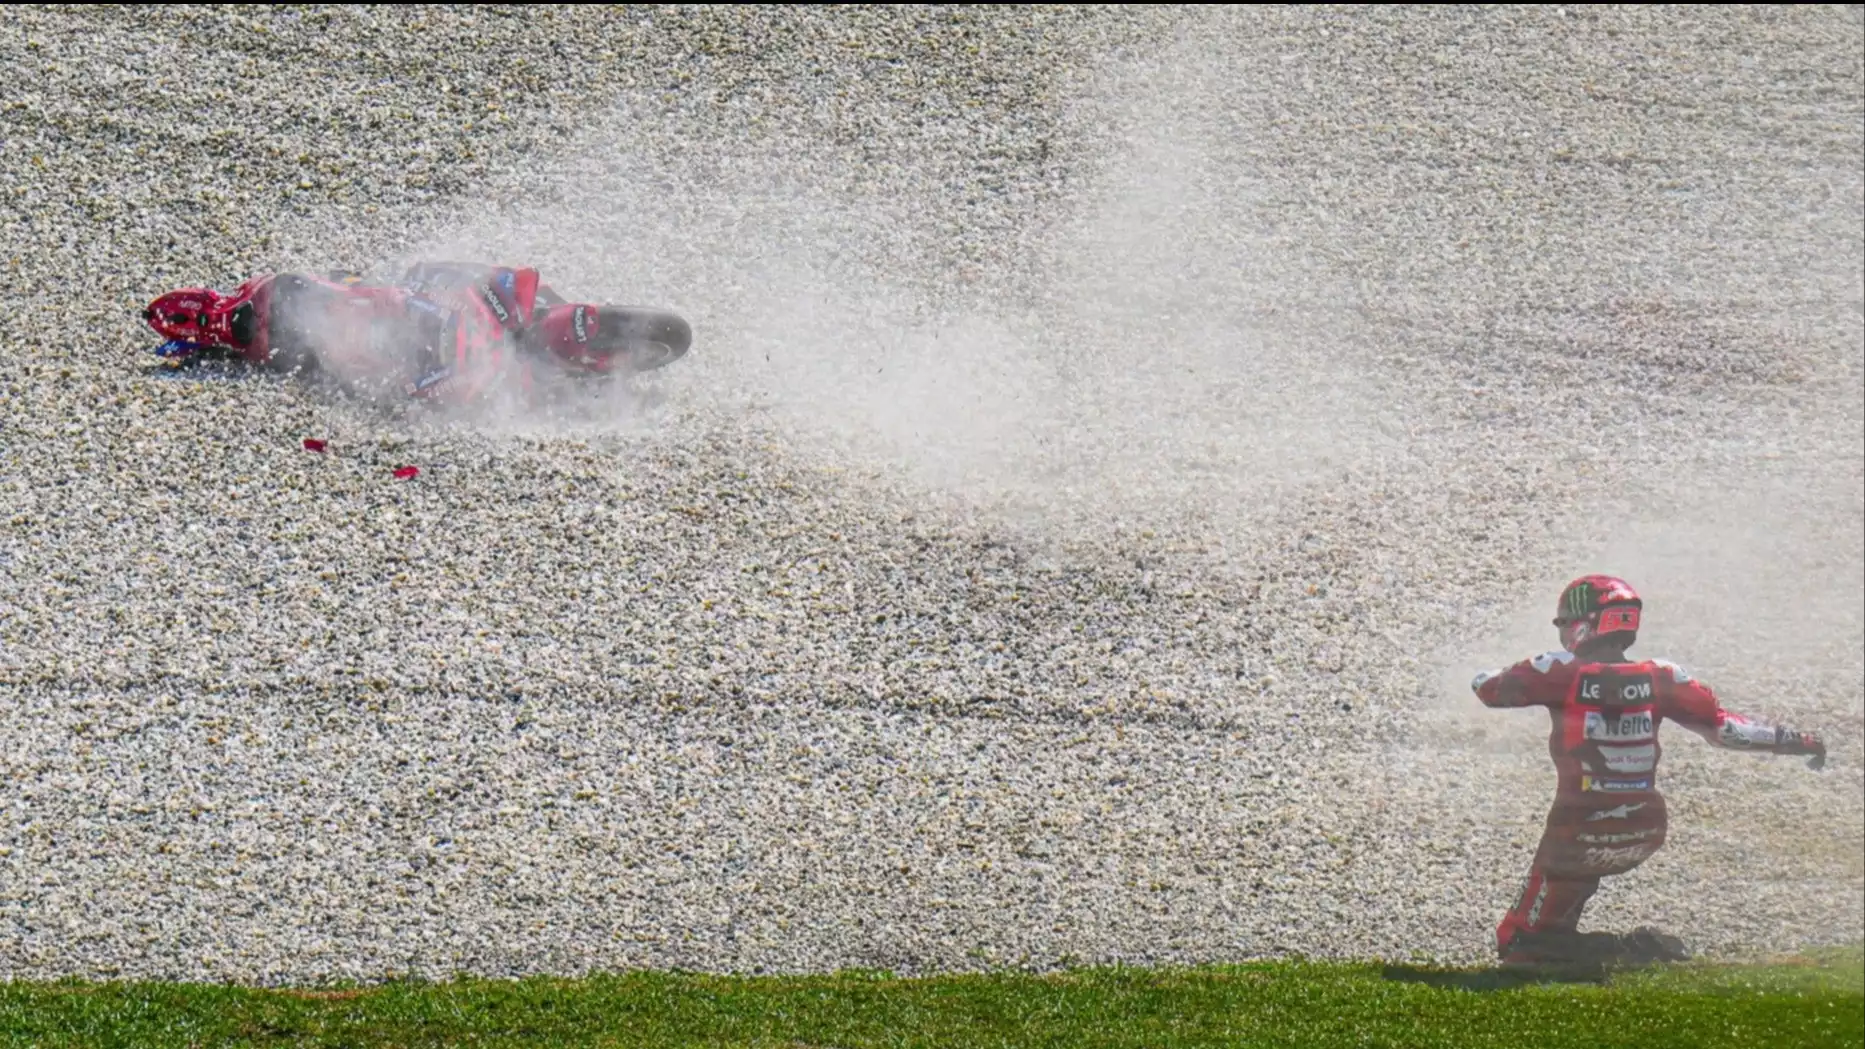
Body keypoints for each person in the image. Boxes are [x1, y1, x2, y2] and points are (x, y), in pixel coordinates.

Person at [1470, 574, 1827, 967]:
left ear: (1582, 624)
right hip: (1644, 826)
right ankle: (1600, 950)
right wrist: (1796, 740)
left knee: (1519, 944)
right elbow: (1727, 730)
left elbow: (1489, 689)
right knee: (1562, 904)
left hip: (1578, 825)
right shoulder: (1662, 677)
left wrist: (1489, 673)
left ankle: (1587, 952)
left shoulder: (1559, 671)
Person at [142, 262, 685, 405]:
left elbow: (364, 290)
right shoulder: (293, 357)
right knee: (464, 393)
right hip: (432, 353)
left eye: (238, 320)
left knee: (440, 274)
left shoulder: (281, 292)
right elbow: (370, 386)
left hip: (429, 311)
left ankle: (558, 316)